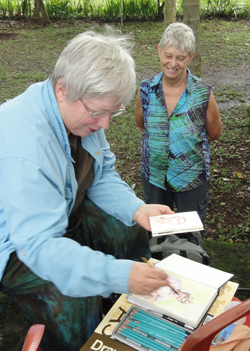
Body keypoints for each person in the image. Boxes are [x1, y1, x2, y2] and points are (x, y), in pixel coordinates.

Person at [0, 28, 175, 351]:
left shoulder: (81, 111)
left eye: (113, 111)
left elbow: (102, 174)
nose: (105, 124)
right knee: (73, 303)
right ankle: (85, 336)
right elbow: (38, 246)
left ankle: (131, 307)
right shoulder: (26, 148)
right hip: (16, 246)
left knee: (130, 229)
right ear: (63, 89)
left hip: (60, 215)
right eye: (97, 112)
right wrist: (116, 273)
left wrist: (136, 208)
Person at [135, 23, 221, 232]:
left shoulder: (202, 93)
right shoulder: (146, 90)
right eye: (168, 55)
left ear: (190, 58)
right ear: (159, 51)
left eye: (180, 58)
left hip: (191, 177)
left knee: (189, 234)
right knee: (155, 232)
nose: (173, 63)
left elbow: (214, 132)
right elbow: (141, 124)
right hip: (154, 175)